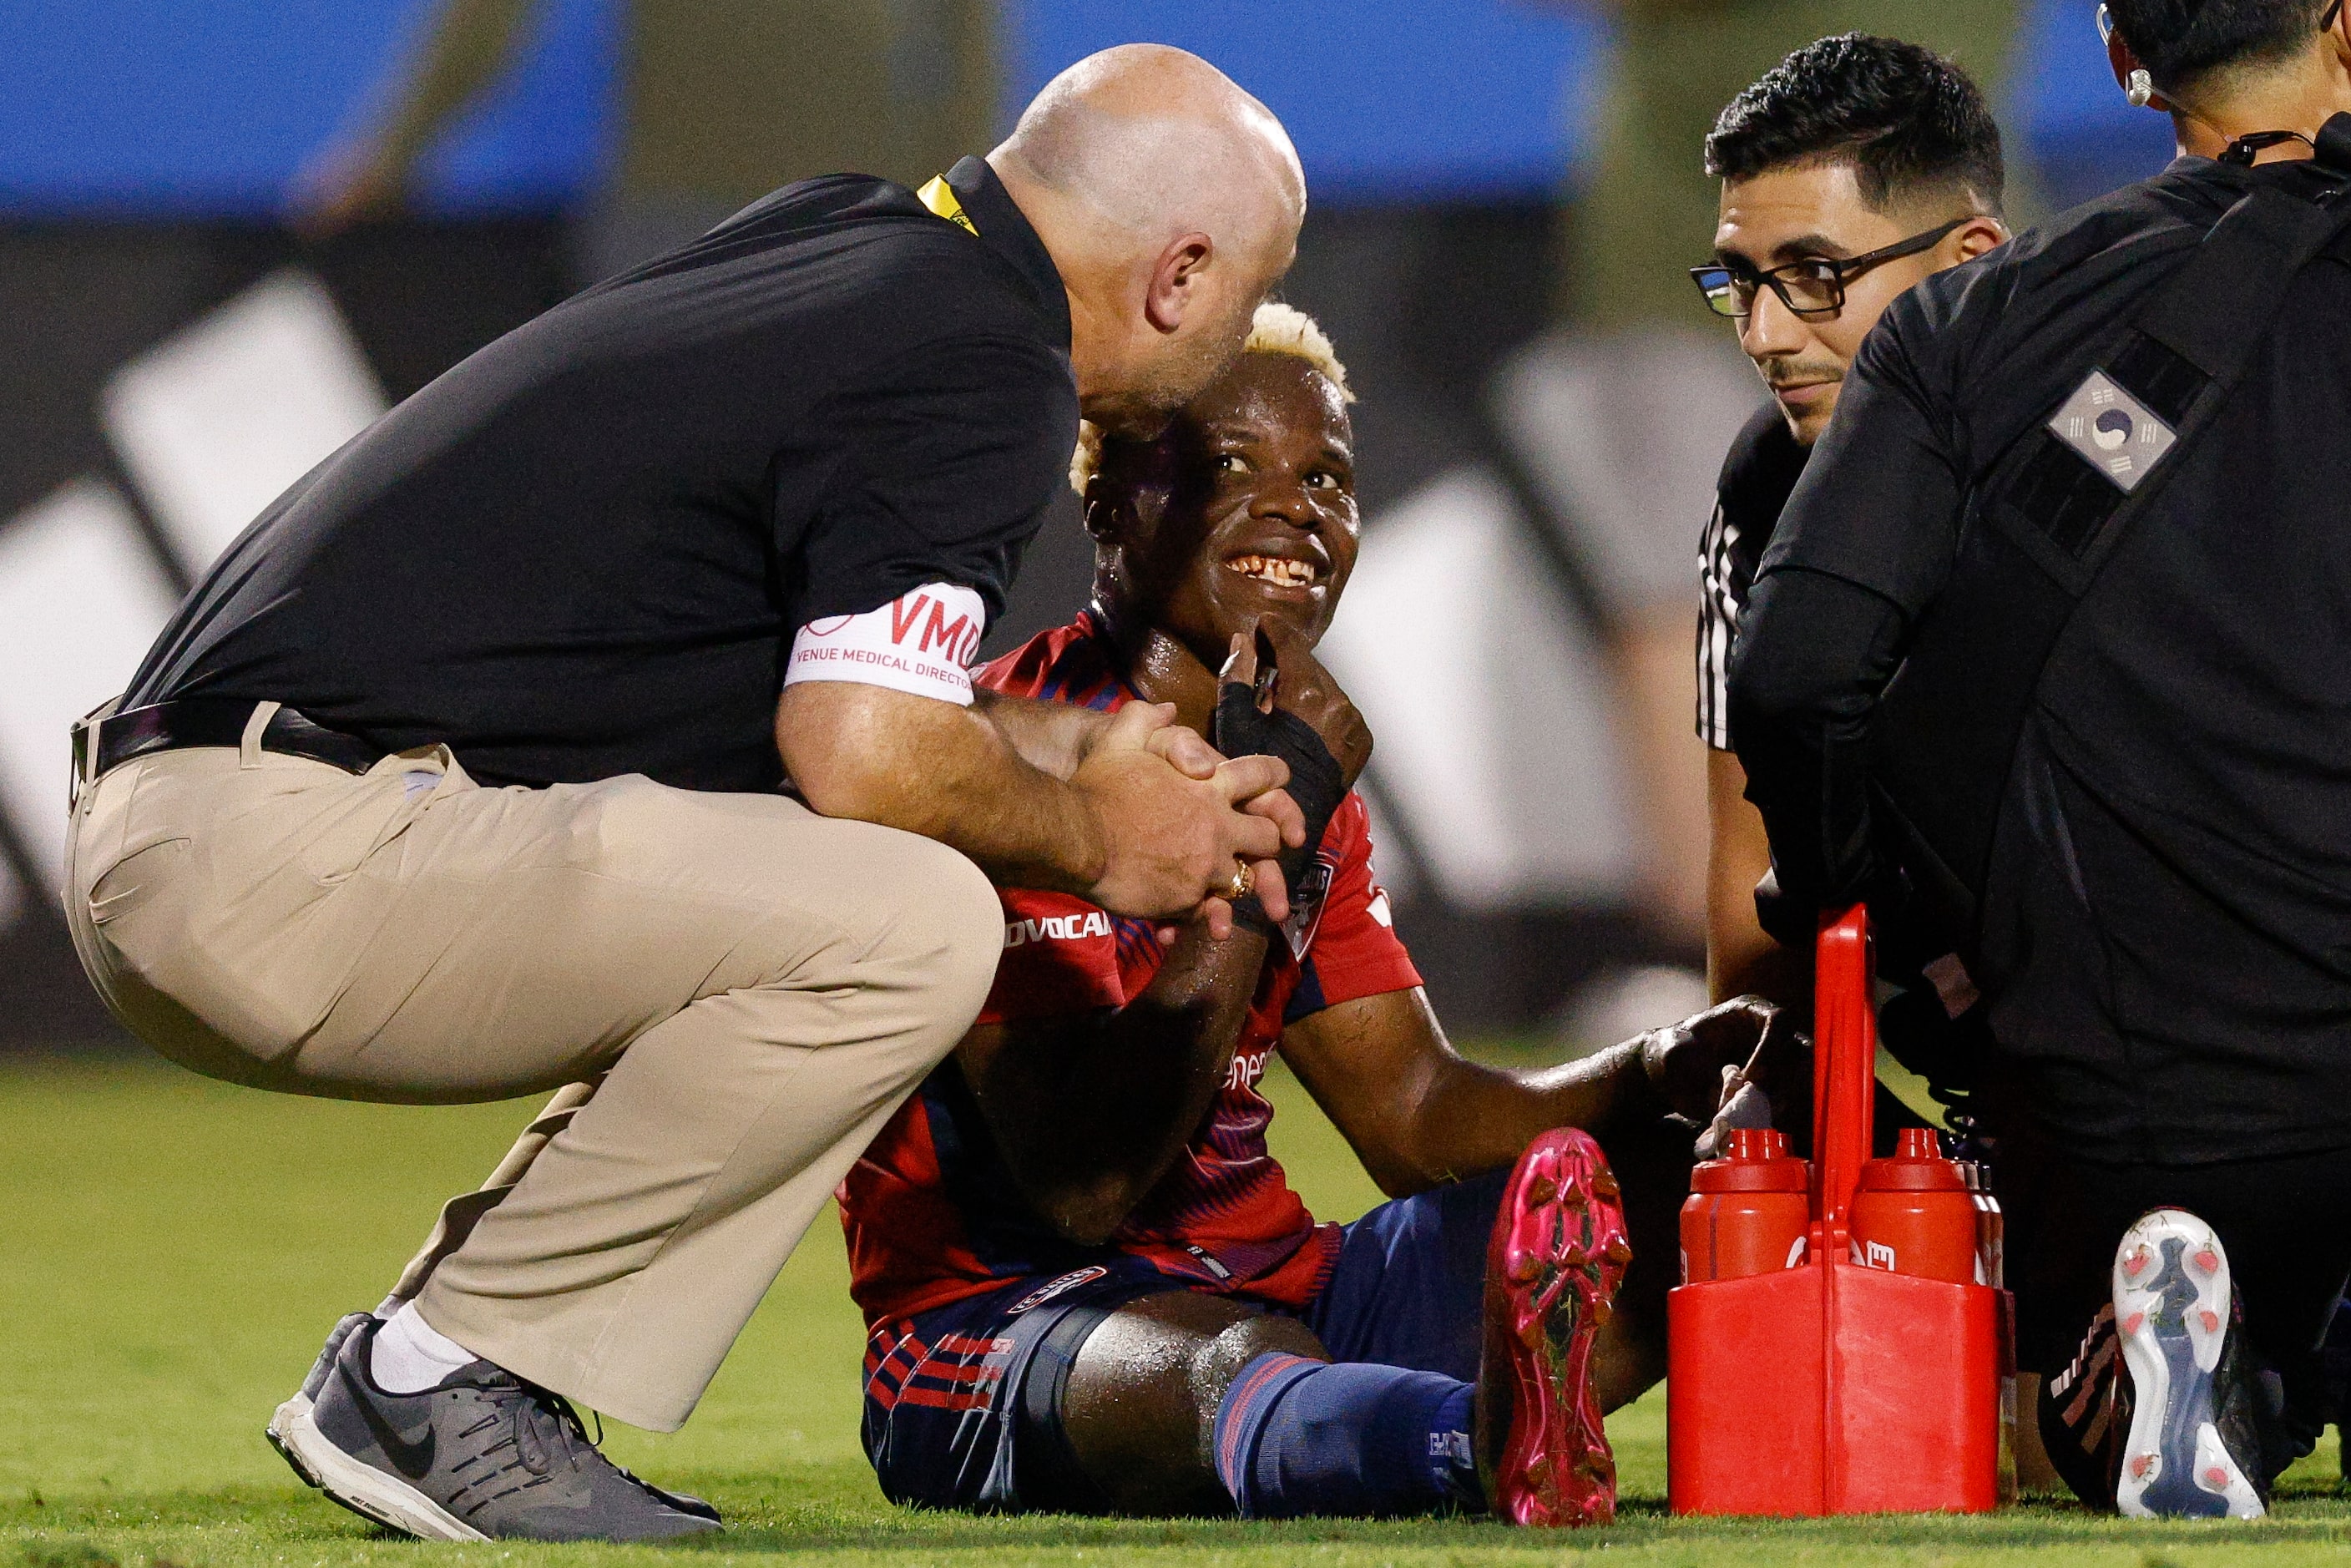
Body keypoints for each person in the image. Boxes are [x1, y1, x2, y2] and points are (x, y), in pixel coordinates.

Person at [63, 45, 1312, 1543]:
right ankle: (451, 1373)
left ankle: (430, 1369)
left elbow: (831, 692)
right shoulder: (987, 359)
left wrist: (1073, 747)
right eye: (1249, 288)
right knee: (909, 915)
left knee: (803, 892)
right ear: (1178, 273)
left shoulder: (850, 246)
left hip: (211, 816)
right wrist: (1104, 833)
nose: (1238, 328)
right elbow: (859, 749)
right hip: (285, 852)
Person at [837, 302, 1783, 1526]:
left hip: (1289, 1290)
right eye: (1230, 465)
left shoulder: (1292, 768)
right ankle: (1471, 1440)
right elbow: (1084, 1181)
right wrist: (1257, 840)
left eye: (1326, 475)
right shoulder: (984, 761)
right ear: (1111, 499)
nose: (1297, 505)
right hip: (1010, 1326)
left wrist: (1655, 1071)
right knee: (1224, 1365)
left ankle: (1973, 1402)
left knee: (1712, 1175)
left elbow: (1414, 1111)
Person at [1730, 0, 2351, 1520]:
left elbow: (1804, 675)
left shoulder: (1971, 324)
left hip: (2131, 1113)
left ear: (2127, 63)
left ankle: (2190, 1357)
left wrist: (1865, 919)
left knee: (2074, 1424)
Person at [1509, 0, 2020, 949]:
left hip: (1902, 272)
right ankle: (1709, 960)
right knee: (1699, 604)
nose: (1769, 332)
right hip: (1687, 277)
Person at [1689, 34, 2010, 1016]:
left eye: (1815, 275)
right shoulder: (1760, 495)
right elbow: (1755, 878)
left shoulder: (2123, 456)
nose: (1765, 334)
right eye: (1740, 279)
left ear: (1970, 264)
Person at [296, 0, 1001, 284]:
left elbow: (966, 31)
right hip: (690, 209)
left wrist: (955, 200)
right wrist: (390, 155)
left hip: (829, 213)